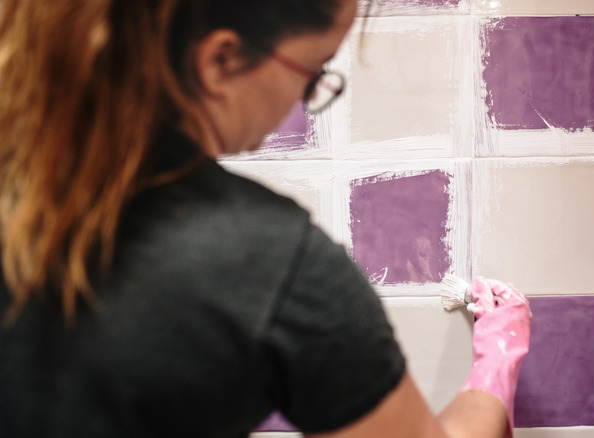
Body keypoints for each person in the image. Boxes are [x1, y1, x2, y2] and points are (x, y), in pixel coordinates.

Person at [0, 1, 532, 437]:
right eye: (314, 71)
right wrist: (495, 369)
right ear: (221, 60)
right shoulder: (268, 263)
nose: (307, 99)